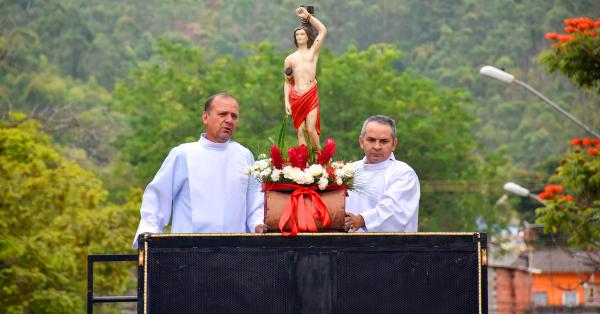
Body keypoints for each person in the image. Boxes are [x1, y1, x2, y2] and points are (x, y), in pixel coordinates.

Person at [132, 93, 264, 248]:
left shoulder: (244, 155)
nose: (229, 120)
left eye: (234, 116)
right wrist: (148, 237)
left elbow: (255, 202)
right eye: (222, 114)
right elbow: (158, 197)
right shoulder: (183, 154)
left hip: (234, 252)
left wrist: (258, 224)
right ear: (205, 117)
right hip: (189, 253)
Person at [344, 115, 420, 232]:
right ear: (361, 141)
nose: (377, 146)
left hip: (390, 248)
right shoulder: (347, 171)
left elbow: (394, 211)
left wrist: (362, 220)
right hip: (345, 247)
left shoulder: (404, 173)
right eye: (371, 140)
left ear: (394, 144)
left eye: (384, 141)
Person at [284, 6, 327, 152]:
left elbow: (322, 31)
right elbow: (287, 81)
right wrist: (286, 102)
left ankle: (320, 156)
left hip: (310, 95)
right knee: (300, 131)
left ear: (308, 36)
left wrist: (308, 17)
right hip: (296, 96)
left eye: (302, 34)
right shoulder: (290, 59)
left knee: (310, 129)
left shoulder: (313, 52)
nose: (300, 37)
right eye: (297, 35)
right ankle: (304, 161)